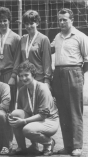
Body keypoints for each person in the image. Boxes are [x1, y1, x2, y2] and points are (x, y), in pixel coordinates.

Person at [51, 8, 88, 156]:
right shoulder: (57, 37)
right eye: (59, 19)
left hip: (74, 72)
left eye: (64, 19)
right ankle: (67, 146)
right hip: (58, 73)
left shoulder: (81, 36)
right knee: (63, 111)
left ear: (72, 20)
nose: (61, 22)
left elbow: (87, 59)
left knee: (75, 111)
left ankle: (77, 146)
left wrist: (78, 73)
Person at [9, 61, 59, 156]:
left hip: (49, 120)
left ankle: (49, 142)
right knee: (14, 115)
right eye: (21, 75)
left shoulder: (42, 88)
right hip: (35, 118)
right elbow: (20, 112)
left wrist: (23, 121)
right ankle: (22, 147)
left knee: (27, 129)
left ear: (33, 74)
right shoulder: (23, 90)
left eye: (26, 75)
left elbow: (43, 115)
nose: (23, 78)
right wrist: (13, 117)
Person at [10, 10, 52, 89]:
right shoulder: (22, 39)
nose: (29, 26)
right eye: (26, 24)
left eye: (32, 23)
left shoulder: (44, 39)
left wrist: (47, 80)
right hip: (24, 78)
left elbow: (47, 62)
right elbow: (17, 60)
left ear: (37, 23)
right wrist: (13, 75)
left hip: (38, 78)